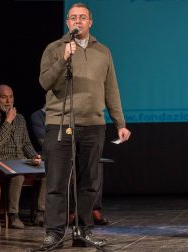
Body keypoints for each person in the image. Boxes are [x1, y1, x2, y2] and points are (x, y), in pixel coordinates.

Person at [38, 2, 131, 249]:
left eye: (82, 17)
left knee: (89, 183)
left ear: (90, 22)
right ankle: (54, 233)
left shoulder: (103, 51)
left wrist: (119, 122)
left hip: (93, 125)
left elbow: (111, 89)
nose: (77, 21)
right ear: (67, 22)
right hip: (59, 123)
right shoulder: (55, 49)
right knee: (57, 182)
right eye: (73, 18)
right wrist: (64, 58)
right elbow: (45, 82)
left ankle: (83, 230)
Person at [30, 106, 109, 226]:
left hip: (72, 150)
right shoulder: (38, 116)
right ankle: (70, 212)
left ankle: (93, 208)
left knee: (95, 166)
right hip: (49, 152)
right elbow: (43, 140)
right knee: (68, 172)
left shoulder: (67, 112)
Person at [0, 84, 45, 229]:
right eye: (4, 97)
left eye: (11, 97)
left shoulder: (20, 118)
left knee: (45, 173)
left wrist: (34, 155)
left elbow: (26, 143)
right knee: (18, 176)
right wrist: (8, 120)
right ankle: (13, 216)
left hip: (20, 160)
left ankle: (40, 213)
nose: (8, 101)